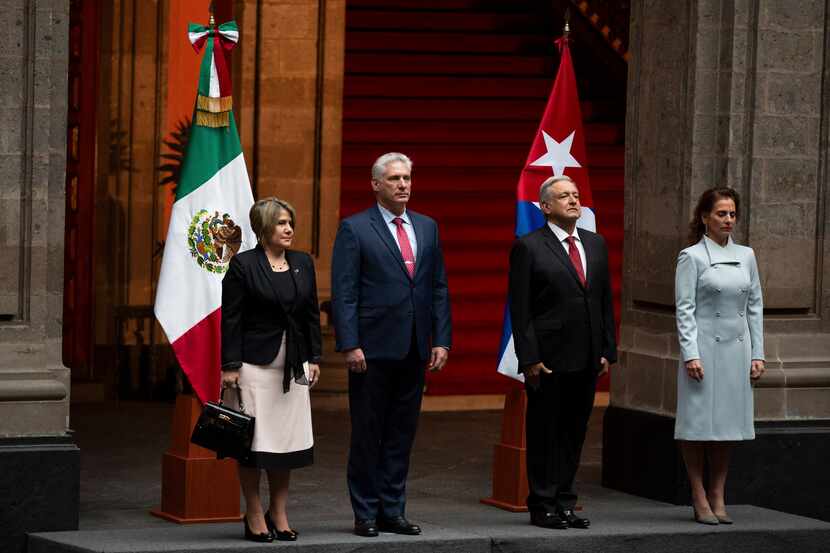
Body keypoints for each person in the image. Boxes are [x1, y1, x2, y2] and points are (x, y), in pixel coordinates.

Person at [331, 152, 451, 538]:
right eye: (395, 178)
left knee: (401, 434)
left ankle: (392, 511)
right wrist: (350, 343)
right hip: (372, 349)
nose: (403, 185)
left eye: (408, 178)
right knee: (368, 433)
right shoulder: (355, 228)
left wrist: (441, 339)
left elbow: (437, 288)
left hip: (415, 347)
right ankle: (365, 512)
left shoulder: (427, 227)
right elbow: (345, 292)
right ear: (376, 184)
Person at [508, 175, 616, 530]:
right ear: (545, 207)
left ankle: (566, 502)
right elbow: (520, 309)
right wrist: (530, 357)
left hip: (587, 356)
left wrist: (606, 350)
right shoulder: (529, 246)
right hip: (549, 357)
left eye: (575, 194)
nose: (573, 200)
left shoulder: (595, 243)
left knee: (574, 431)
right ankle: (542, 504)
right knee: (545, 432)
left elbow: (603, 302)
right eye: (563, 196)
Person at [220, 197, 322, 542]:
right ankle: (252, 512)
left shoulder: (302, 263)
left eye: (290, 222)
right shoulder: (243, 266)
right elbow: (231, 319)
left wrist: (314, 358)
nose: (289, 228)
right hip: (253, 366)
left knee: (286, 444)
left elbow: (309, 315)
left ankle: (278, 512)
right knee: (254, 444)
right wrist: (230, 366)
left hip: (292, 366)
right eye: (281, 223)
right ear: (263, 228)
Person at [674, 187, 764, 525]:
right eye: (721, 214)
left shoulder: (747, 255)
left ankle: (718, 494)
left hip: (737, 351)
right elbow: (684, 310)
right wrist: (690, 354)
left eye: (732, 214)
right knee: (698, 424)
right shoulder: (691, 257)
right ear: (704, 218)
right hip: (703, 352)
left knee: (728, 426)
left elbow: (755, 307)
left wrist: (759, 354)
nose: (728, 220)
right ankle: (698, 494)